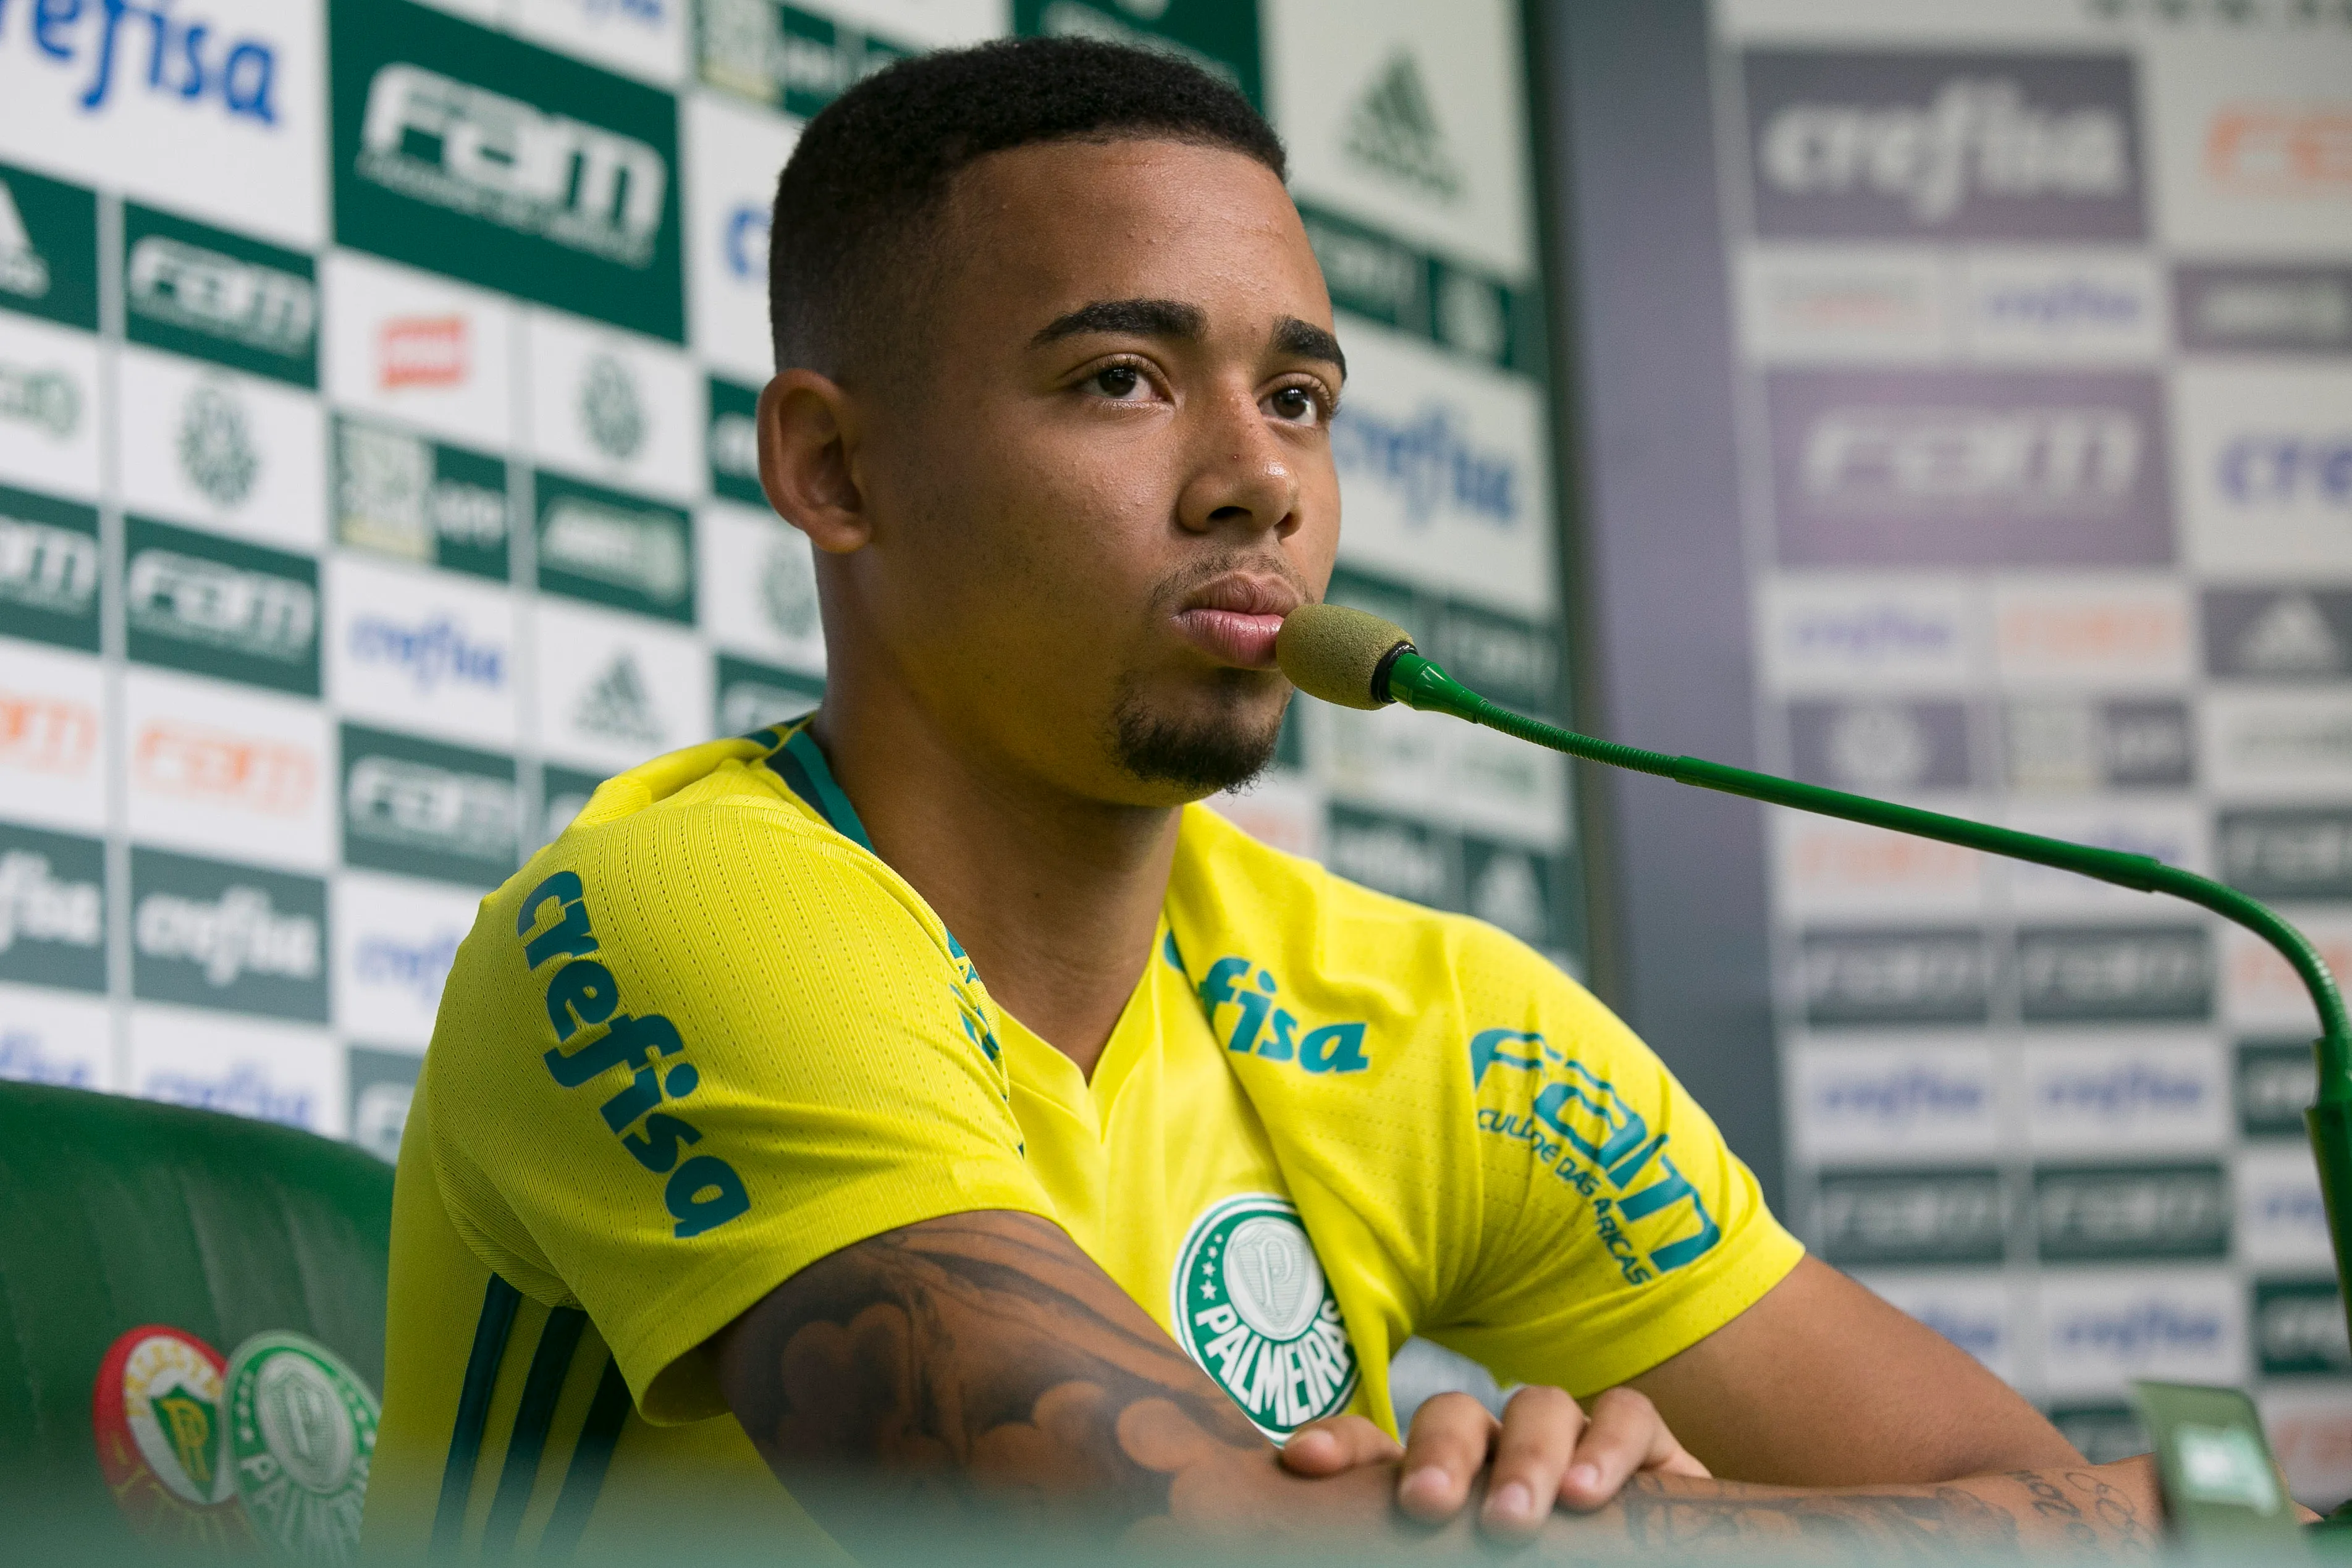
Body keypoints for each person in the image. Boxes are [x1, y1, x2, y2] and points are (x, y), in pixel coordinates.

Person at [365, 38, 2159, 1561]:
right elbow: (1180, 1547)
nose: (1255, 484)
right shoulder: (684, 914)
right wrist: (1630, 1536)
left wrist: (1609, 1510)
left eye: (1297, 398)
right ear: (833, 468)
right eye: (1120, 381)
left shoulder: (1422, 1019)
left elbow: (2086, 1514)